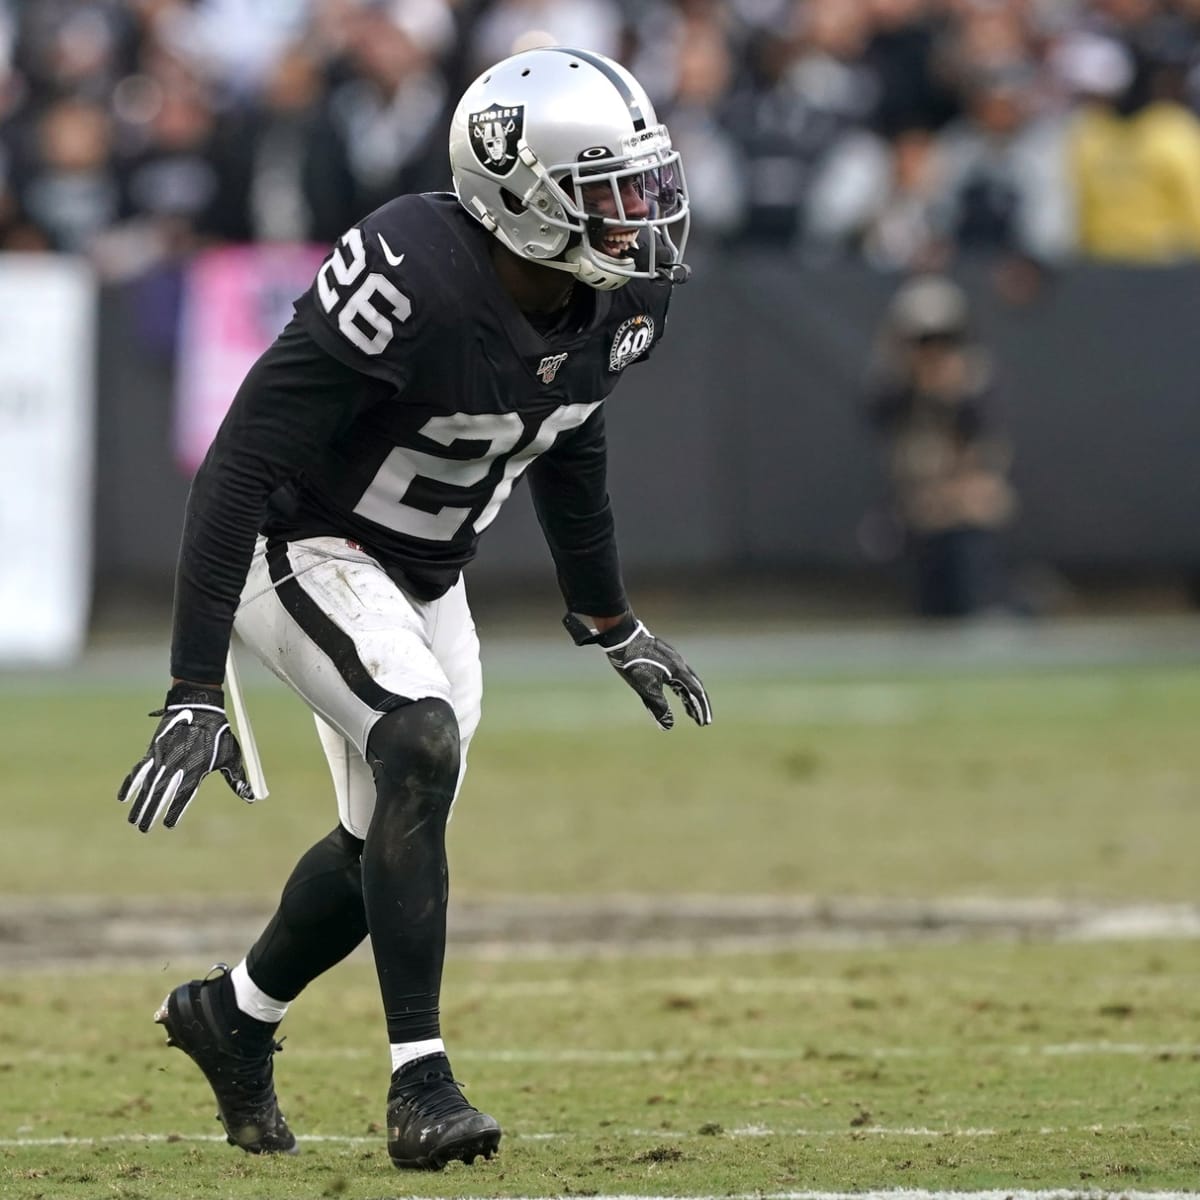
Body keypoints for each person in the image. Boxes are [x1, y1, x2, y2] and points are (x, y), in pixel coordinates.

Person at [116, 46, 712, 1174]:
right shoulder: (414, 273)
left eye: (645, 184)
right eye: (610, 189)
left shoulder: (619, 297)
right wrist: (194, 684)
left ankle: (232, 1016)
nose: (643, 216)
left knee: (386, 829)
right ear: (520, 193)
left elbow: (571, 446)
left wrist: (609, 620)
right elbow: (237, 468)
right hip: (299, 546)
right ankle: (420, 1085)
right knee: (419, 747)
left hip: (424, 576)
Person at [864, 274, 1015, 618]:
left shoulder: (974, 376)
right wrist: (914, 384)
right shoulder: (893, 381)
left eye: (942, 340)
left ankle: (991, 604)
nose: (933, 351)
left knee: (977, 509)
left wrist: (954, 394)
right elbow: (878, 419)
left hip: (965, 491)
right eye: (923, 341)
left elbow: (986, 439)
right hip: (914, 499)